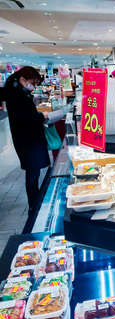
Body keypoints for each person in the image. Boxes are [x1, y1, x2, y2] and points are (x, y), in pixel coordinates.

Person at [3, 67, 52, 213]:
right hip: (28, 140)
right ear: (23, 79)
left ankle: (35, 202)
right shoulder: (17, 95)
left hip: (26, 139)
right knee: (32, 173)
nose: (34, 86)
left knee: (33, 172)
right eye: (33, 82)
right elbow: (26, 118)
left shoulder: (16, 91)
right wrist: (42, 117)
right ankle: (34, 205)